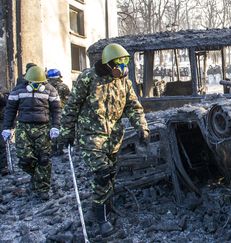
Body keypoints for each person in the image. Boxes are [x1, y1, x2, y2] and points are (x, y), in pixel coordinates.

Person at [60, 43, 149, 237]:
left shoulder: (124, 82)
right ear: (109, 64)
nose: (124, 67)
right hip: (91, 135)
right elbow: (72, 106)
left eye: (126, 62)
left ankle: (105, 207)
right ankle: (100, 217)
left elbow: (134, 107)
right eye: (120, 63)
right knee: (102, 173)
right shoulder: (88, 78)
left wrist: (142, 127)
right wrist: (66, 132)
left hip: (114, 137)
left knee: (111, 176)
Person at [1, 66, 61, 199]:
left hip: (43, 127)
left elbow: (57, 110)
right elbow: (10, 109)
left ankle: (42, 189)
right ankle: (37, 177)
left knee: (44, 159)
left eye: (38, 84)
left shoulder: (51, 90)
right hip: (23, 127)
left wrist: (55, 126)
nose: (35, 86)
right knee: (24, 159)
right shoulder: (18, 90)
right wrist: (7, 127)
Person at [47, 69, 71, 156]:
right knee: (60, 129)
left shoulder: (46, 87)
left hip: (49, 111)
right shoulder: (64, 86)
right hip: (61, 111)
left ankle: (53, 149)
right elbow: (69, 99)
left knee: (51, 128)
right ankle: (60, 149)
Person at [0, 87, 9, 175]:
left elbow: (5, 103)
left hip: (1, 120)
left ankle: (3, 167)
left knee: (2, 144)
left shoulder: (3, 90)